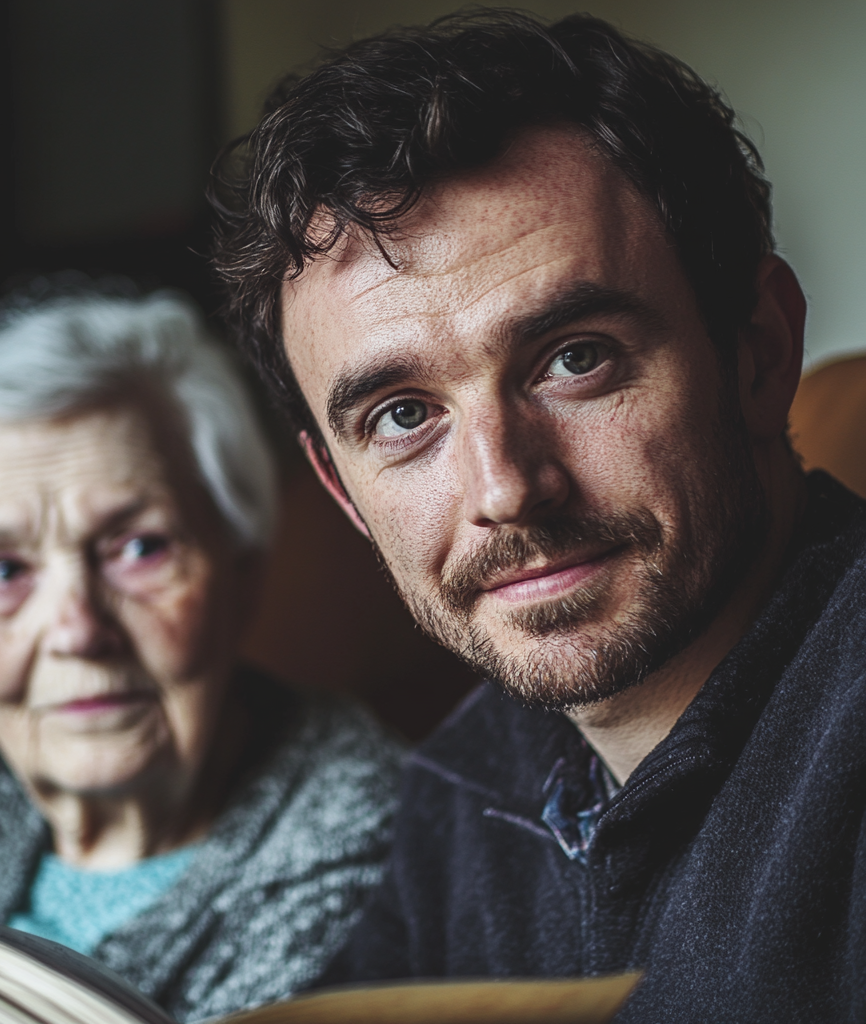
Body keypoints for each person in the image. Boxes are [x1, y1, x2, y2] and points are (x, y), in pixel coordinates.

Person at [211, 10, 866, 1022]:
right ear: (341, 492)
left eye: (574, 358)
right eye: (401, 416)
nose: (505, 487)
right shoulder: (462, 787)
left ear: (758, 354)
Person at [0, 287, 403, 1022]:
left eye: (140, 548)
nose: (78, 630)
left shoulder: (388, 849)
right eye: (4, 571)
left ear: (240, 572)